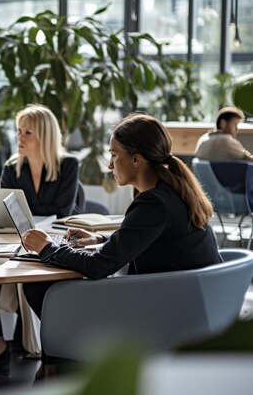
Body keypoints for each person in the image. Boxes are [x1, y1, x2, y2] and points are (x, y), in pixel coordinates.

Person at [21, 113, 222, 378]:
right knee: (48, 290)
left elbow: (99, 266)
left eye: (114, 155)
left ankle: (66, 367)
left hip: (161, 313)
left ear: (137, 159)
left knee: (39, 286)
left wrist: (47, 248)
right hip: (188, 304)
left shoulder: (154, 203)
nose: (109, 165)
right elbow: (152, 237)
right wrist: (101, 239)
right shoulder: (171, 192)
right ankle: (60, 366)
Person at [0, 105, 79, 377]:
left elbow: (63, 211)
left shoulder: (68, 165)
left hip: (56, 240)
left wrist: (30, 216)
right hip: (21, 237)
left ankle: (53, 355)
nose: (19, 137)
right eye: (18, 131)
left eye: (28, 132)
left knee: (39, 287)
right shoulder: (12, 168)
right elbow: (7, 212)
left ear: (44, 136)